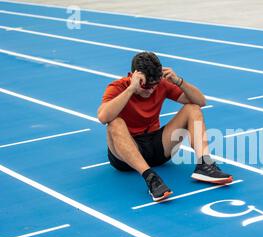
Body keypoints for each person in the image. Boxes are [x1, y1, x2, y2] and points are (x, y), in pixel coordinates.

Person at [97, 51, 232, 202]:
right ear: (133, 76)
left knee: (192, 108)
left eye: (153, 86)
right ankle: (151, 178)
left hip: (157, 148)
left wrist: (179, 81)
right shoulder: (118, 87)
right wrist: (131, 89)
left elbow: (201, 101)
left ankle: (204, 165)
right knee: (114, 123)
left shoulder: (160, 84)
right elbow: (103, 117)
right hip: (126, 156)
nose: (150, 90)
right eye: (145, 86)